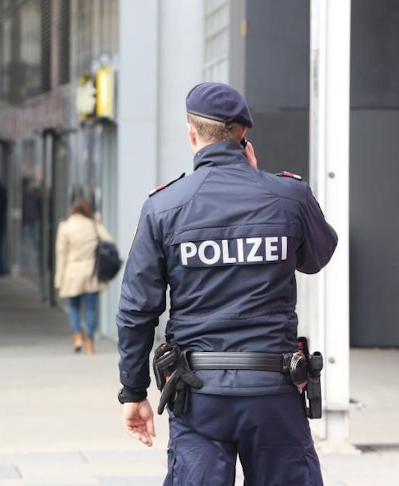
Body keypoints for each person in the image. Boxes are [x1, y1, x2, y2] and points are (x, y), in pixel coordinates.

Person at [116, 82, 338, 485]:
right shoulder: (289, 196)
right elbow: (317, 258)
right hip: (274, 390)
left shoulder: (163, 207)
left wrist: (133, 392)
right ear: (243, 135)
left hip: (199, 396)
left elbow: (137, 309)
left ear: (192, 134)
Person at [54, 197, 112, 355]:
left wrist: (59, 279)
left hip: (72, 272)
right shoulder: (93, 225)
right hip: (91, 272)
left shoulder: (65, 227)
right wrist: (99, 224)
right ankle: (90, 342)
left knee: (73, 307)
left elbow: (61, 254)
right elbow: (108, 241)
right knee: (91, 309)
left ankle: (78, 336)